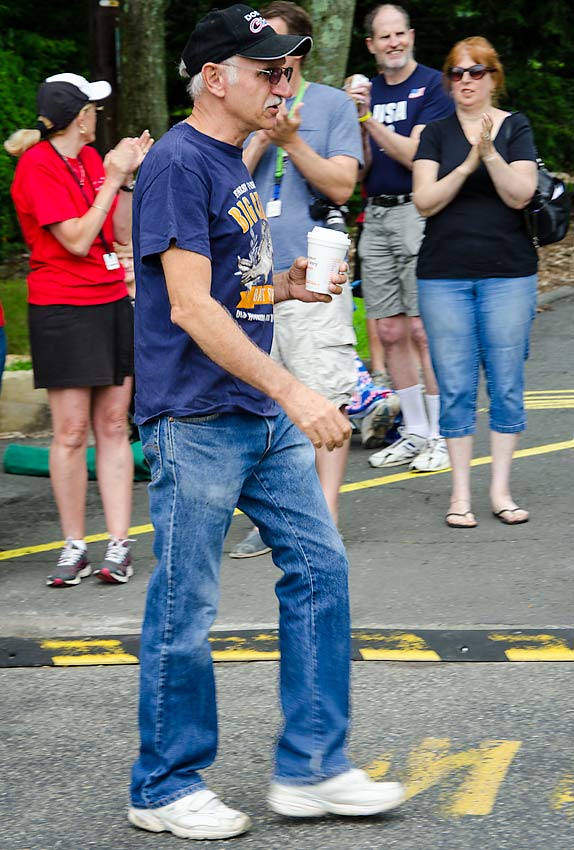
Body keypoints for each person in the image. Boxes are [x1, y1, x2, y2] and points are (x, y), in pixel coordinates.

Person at [129, 5, 405, 840]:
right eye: (269, 70)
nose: (285, 84)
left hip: (252, 409)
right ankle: (163, 785)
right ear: (217, 78)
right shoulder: (179, 163)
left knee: (320, 572)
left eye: (290, 69)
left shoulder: (229, 159)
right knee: (186, 607)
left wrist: (281, 286)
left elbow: (224, 288)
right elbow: (186, 308)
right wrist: (295, 390)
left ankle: (312, 769)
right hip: (198, 415)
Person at [5, 74, 152, 586]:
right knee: (70, 432)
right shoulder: (36, 166)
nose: (98, 116)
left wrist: (127, 175)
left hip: (110, 300)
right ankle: (73, 547)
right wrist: (112, 179)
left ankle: (118, 544)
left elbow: (115, 231)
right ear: (79, 117)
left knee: (113, 426)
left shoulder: (91, 160)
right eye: (92, 108)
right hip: (62, 307)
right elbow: (75, 239)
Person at [231, 0, 362, 558]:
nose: (271, 60)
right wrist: (263, 135)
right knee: (265, 402)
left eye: (279, 46)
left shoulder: (330, 105)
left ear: (301, 49)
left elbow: (342, 186)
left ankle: (324, 519)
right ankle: (276, 519)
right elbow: (223, 178)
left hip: (315, 269)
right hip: (254, 270)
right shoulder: (248, 106)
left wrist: (293, 142)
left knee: (323, 391)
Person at [412, 37, 538, 528]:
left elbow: (520, 194)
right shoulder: (436, 134)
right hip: (443, 275)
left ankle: (501, 490)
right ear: (449, 79)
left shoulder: (516, 127)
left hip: (509, 272)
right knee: (457, 385)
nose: (466, 80)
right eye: (457, 72)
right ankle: (460, 493)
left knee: (507, 383)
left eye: (476, 71)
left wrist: (489, 153)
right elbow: (424, 201)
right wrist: (467, 159)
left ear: (493, 77)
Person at [348, 4, 454, 472]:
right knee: (389, 331)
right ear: (371, 46)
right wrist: (355, 117)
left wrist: (368, 117)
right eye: (382, 37)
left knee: (420, 330)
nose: (393, 43)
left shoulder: (432, 85)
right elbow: (363, 167)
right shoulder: (366, 94)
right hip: (376, 213)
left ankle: (443, 435)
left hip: (418, 212)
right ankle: (414, 432)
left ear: (411, 36)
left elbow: (417, 154)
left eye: (399, 34)